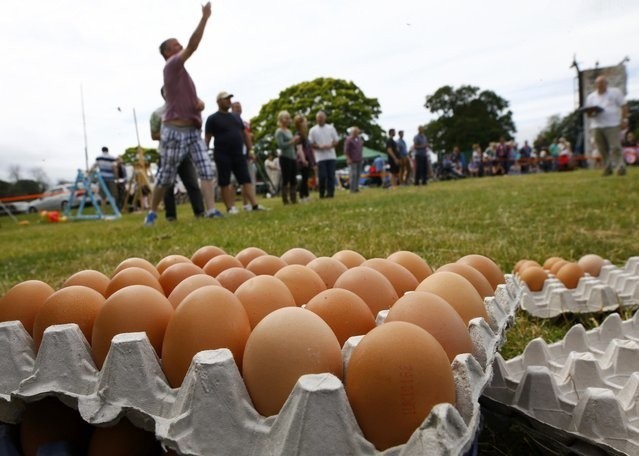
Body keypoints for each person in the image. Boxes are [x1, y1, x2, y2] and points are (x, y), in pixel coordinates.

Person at [145, 2, 221, 226]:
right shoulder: (171, 66)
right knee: (166, 176)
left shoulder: (182, 74)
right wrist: (205, 18)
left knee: (206, 169)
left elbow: (190, 100)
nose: (181, 47)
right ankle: (151, 213)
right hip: (174, 131)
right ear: (168, 52)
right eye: (176, 45)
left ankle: (211, 211)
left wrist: (198, 104)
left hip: (192, 131)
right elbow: (194, 45)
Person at [149, 88, 205, 221]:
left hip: (185, 153)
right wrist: (171, 133)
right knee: (167, 185)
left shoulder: (185, 110)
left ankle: (200, 212)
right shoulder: (157, 114)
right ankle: (170, 216)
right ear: (164, 95)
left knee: (192, 182)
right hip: (167, 153)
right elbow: (154, 135)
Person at [205, 92, 265, 213]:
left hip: (238, 154)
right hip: (222, 154)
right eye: (226, 99)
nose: (229, 101)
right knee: (224, 181)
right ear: (219, 102)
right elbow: (207, 138)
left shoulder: (236, 117)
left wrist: (250, 150)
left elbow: (245, 135)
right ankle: (230, 207)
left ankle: (254, 205)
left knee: (246, 179)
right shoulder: (212, 118)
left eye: (229, 99)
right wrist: (203, 153)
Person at [585, 75, 629, 176]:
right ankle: (607, 168)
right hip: (596, 126)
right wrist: (592, 112)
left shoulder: (615, 92)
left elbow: (624, 106)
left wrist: (624, 119)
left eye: (602, 83)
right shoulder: (591, 97)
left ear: (606, 84)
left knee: (615, 147)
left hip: (612, 124)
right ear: (595, 85)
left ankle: (620, 167)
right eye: (598, 84)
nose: (600, 85)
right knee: (601, 149)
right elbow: (589, 114)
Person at [232, 101, 258, 211]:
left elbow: (248, 139)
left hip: (245, 154)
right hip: (233, 154)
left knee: (247, 180)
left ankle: (246, 204)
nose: (238, 109)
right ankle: (232, 206)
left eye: (240, 107)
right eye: (236, 107)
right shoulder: (229, 121)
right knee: (233, 181)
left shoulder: (246, 124)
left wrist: (251, 152)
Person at [308, 111, 339, 198]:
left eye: (321, 118)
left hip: (331, 156)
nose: (320, 119)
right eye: (318, 118)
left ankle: (330, 193)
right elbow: (310, 143)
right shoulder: (313, 130)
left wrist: (331, 145)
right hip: (320, 157)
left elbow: (336, 140)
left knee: (331, 176)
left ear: (325, 118)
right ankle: (321, 193)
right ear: (316, 119)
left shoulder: (331, 128)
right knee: (322, 176)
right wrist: (319, 146)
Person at [274, 110, 299, 204]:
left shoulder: (289, 131)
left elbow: (291, 144)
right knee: (286, 178)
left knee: (293, 178)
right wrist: (292, 141)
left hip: (292, 157)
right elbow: (281, 145)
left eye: (289, 117)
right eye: (286, 118)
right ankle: (285, 199)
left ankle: (294, 198)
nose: (289, 120)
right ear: (281, 119)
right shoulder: (279, 132)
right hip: (285, 158)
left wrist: (295, 141)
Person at [293, 114, 315, 202]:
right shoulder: (299, 135)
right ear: (300, 123)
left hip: (306, 158)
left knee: (306, 177)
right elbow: (299, 149)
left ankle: (305, 195)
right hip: (302, 159)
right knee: (304, 178)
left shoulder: (304, 134)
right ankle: (303, 196)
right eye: (305, 122)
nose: (306, 123)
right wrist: (303, 160)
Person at [94, 146, 118, 212]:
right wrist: (116, 177)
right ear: (108, 150)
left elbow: (95, 165)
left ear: (102, 150)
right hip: (111, 178)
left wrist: (89, 173)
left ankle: (104, 211)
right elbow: (114, 168)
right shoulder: (112, 158)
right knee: (113, 195)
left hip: (102, 179)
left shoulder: (99, 157)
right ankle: (114, 210)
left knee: (103, 196)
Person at [344, 126, 364, 193]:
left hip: (359, 159)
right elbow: (346, 151)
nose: (356, 133)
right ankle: (352, 189)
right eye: (355, 132)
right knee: (353, 175)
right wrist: (348, 159)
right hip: (352, 160)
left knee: (358, 175)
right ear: (352, 132)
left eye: (357, 132)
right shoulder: (349, 139)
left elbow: (361, 149)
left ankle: (356, 188)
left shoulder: (359, 139)